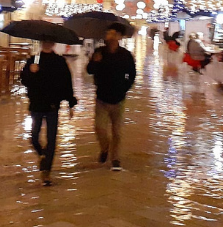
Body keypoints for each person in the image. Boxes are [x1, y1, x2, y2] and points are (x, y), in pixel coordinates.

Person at [20, 41, 78, 187]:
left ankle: (46, 172)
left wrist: (71, 103)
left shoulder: (59, 61)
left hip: (52, 105)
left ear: (52, 44)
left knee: (51, 139)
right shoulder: (34, 60)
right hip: (36, 104)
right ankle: (42, 155)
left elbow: (67, 83)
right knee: (34, 137)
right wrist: (30, 72)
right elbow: (24, 80)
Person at [87, 22, 136, 171]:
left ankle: (115, 158)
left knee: (117, 132)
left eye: (114, 34)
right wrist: (95, 62)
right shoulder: (99, 52)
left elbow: (131, 73)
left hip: (119, 98)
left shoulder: (125, 55)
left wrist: (125, 87)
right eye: (109, 33)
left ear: (120, 37)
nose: (111, 36)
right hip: (101, 97)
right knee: (99, 128)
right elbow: (89, 70)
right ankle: (104, 148)